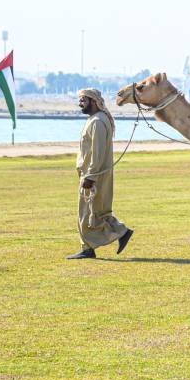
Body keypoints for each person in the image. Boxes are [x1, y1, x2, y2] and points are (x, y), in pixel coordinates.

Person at [66, 88, 133, 259]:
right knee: (97, 211)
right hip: (94, 174)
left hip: (94, 176)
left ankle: (89, 248)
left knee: (88, 213)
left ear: (94, 101)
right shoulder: (96, 119)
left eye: (83, 100)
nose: (80, 103)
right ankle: (120, 232)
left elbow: (97, 153)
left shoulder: (97, 121)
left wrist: (90, 176)